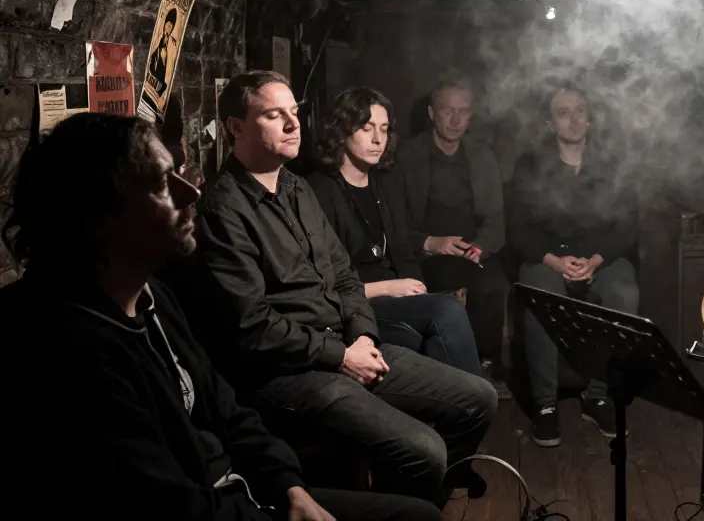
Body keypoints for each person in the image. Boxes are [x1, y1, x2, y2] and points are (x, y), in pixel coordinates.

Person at [0, 112, 440, 521]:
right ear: (101, 212)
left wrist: (289, 486)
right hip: (218, 503)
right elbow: (160, 500)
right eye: (161, 183)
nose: (190, 193)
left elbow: (227, 409)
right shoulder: (61, 344)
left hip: (247, 488)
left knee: (419, 513)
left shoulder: (153, 296)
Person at [188, 70, 497, 507]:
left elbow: (346, 276)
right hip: (290, 372)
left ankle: (414, 506)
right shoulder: (224, 207)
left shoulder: (296, 188)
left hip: (345, 343)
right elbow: (252, 326)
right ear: (236, 127)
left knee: (479, 397)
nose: (293, 125)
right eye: (274, 115)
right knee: (424, 448)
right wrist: (340, 356)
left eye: (294, 113)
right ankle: (400, 509)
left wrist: (364, 336)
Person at [309, 86, 483, 378]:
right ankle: (475, 399)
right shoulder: (319, 190)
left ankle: (462, 400)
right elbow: (322, 286)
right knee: (446, 310)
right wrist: (389, 288)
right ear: (341, 132)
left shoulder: (385, 182)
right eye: (367, 128)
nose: (378, 139)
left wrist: (416, 286)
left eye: (384, 129)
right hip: (356, 305)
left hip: (398, 295)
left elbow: (403, 249)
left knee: (443, 314)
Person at [508, 83, 639, 447]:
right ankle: (545, 405)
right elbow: (518, 228)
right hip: (548, 258)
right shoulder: (531, 165)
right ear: (550, 123)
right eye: (563, 112)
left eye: (580, 109)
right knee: (539, 292)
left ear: (590, 118)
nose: (574, 119)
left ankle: (597, 397)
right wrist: (554, 261)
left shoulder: (611, 164)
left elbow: (627, 225)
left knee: (624, 292)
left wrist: (595, 261)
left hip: (600, 257)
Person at [393, 79, 511, 397]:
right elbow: (394, 221)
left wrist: (480, 247)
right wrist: (431, 243)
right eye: (448, 111)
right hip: (426, 251)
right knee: (435, 290)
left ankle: (487, 364)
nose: (456, 120)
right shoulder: (408, 155)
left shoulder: (481, 156)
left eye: (463, 111)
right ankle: (443, 374)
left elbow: (496, 219)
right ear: (432, 113)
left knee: (493, 286)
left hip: (472, 250)